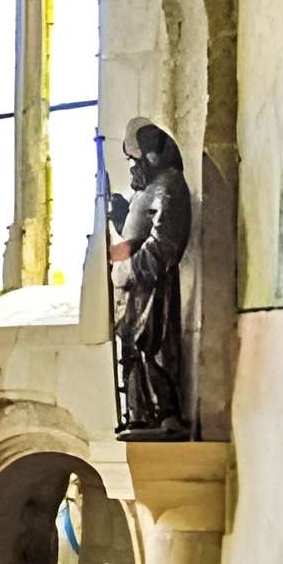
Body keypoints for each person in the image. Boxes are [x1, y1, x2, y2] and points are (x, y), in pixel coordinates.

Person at [106, 119, 194, 436]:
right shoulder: (146, 191)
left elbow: (164, 243)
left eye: (134, 159)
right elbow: (132, 241)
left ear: (150, 156)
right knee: (133, 356)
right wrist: (117, 216)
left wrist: (127, 270)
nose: (131, 168)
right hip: (133, 292)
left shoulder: (169, 185)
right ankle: (140, 414)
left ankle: (165, 413)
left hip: (154, 291)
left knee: (153, 351)